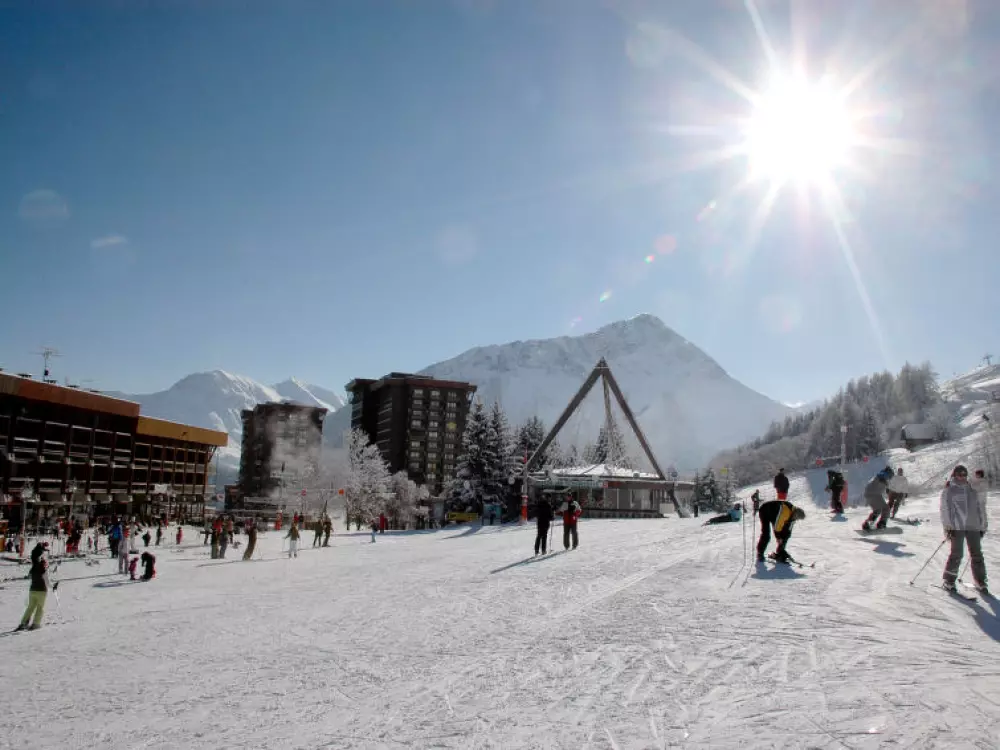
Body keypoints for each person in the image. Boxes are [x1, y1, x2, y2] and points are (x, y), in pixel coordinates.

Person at [941, 464, 988, 594]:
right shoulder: (949, 490)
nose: (962, 477)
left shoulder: (972, 488)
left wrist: (983, 525)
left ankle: (980, 581)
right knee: (957, 554)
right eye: (959, 474)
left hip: (973, 525)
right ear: (954, 475)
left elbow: (980, 507)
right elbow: (945, 509)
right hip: (957, 526)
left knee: (977, 554)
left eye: (964, 474)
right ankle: (949, 580)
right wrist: (948, 526)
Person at [17, 542, 53, 631]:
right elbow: (47, 582)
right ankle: (36, 623)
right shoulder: (43, 570)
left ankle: (23, 623)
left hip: (32, 590)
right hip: (41, 591)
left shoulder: (33, 569)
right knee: (40, 607)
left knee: (30, 607)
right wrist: (53, 587)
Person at [756, 498, 805, 563]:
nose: (796, 520)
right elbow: (777, 526)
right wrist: (778, 538)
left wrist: (782, 547)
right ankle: (760, 553)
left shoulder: (793, 515)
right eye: (797, 518)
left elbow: (788, 531)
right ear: (795, 514)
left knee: (785, 534)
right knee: (766, 534)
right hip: (765, 511)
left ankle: (780, 551)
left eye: (797, 519)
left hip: (775, 514)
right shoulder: (786, 511)